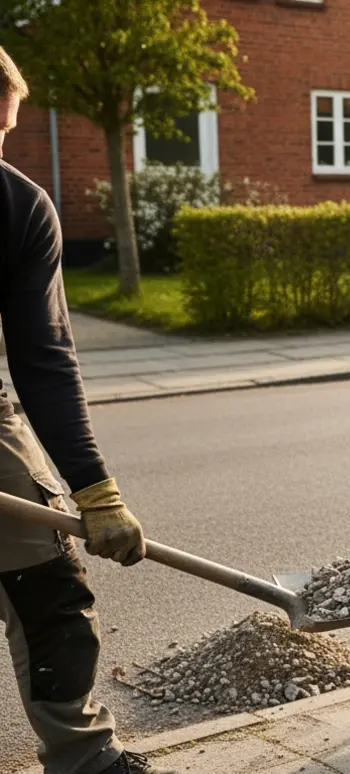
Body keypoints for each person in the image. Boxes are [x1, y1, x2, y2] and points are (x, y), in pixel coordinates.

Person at [0, 47, 173, 774]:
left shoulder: (18, 207)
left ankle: (85, 759)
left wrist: (97, 491)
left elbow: (43, 358)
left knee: (50, 588)